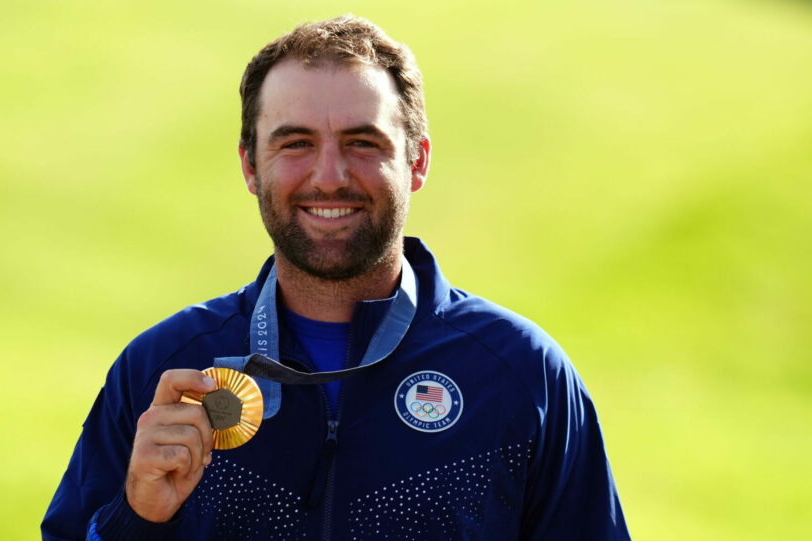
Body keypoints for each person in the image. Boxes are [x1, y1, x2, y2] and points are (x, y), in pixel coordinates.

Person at [42, 16, 630, 541]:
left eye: (362, 142)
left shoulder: (521, 374)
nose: (329, 177)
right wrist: (136, 518)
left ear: (417, 160)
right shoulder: (161, 371)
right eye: (296, 143)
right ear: (251, 165)